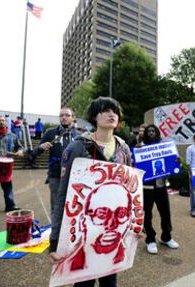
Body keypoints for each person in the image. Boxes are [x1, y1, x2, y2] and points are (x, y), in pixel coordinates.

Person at [49, 97, 131, 287]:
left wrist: (134, 225)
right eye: (106, 110)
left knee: (110, 281)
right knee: (83, 282)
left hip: (114, 231)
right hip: (84, 229)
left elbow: (129, 190)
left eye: (115, 111)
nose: (112, 114)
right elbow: (64, 196)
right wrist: (55, 241)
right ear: (95, 116)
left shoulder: (124, 148)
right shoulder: (77, 147)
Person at [33, 107, 79, 216]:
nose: (64, 117)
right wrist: (40, 147)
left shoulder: (78, 136)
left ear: (73, 118)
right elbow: (34, 152)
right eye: (61, 115)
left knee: (74, 206)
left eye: (67, 115)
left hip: (74, 177)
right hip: (55, 176)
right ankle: (56, 230)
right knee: (57, 206)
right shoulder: (51, 133)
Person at [141, 124, 179, 254]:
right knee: (147, 215)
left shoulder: (164, 148)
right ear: (146, 134)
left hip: (161, 186)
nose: (151, 133)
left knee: (165, 213)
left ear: (157, 133)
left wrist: (176, 161)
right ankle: (150, 239)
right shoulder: (141, 148)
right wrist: (136, 152)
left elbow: (171, 166)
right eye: (149, 131)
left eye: (153, 131)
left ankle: (166, 237)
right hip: (147, 188)